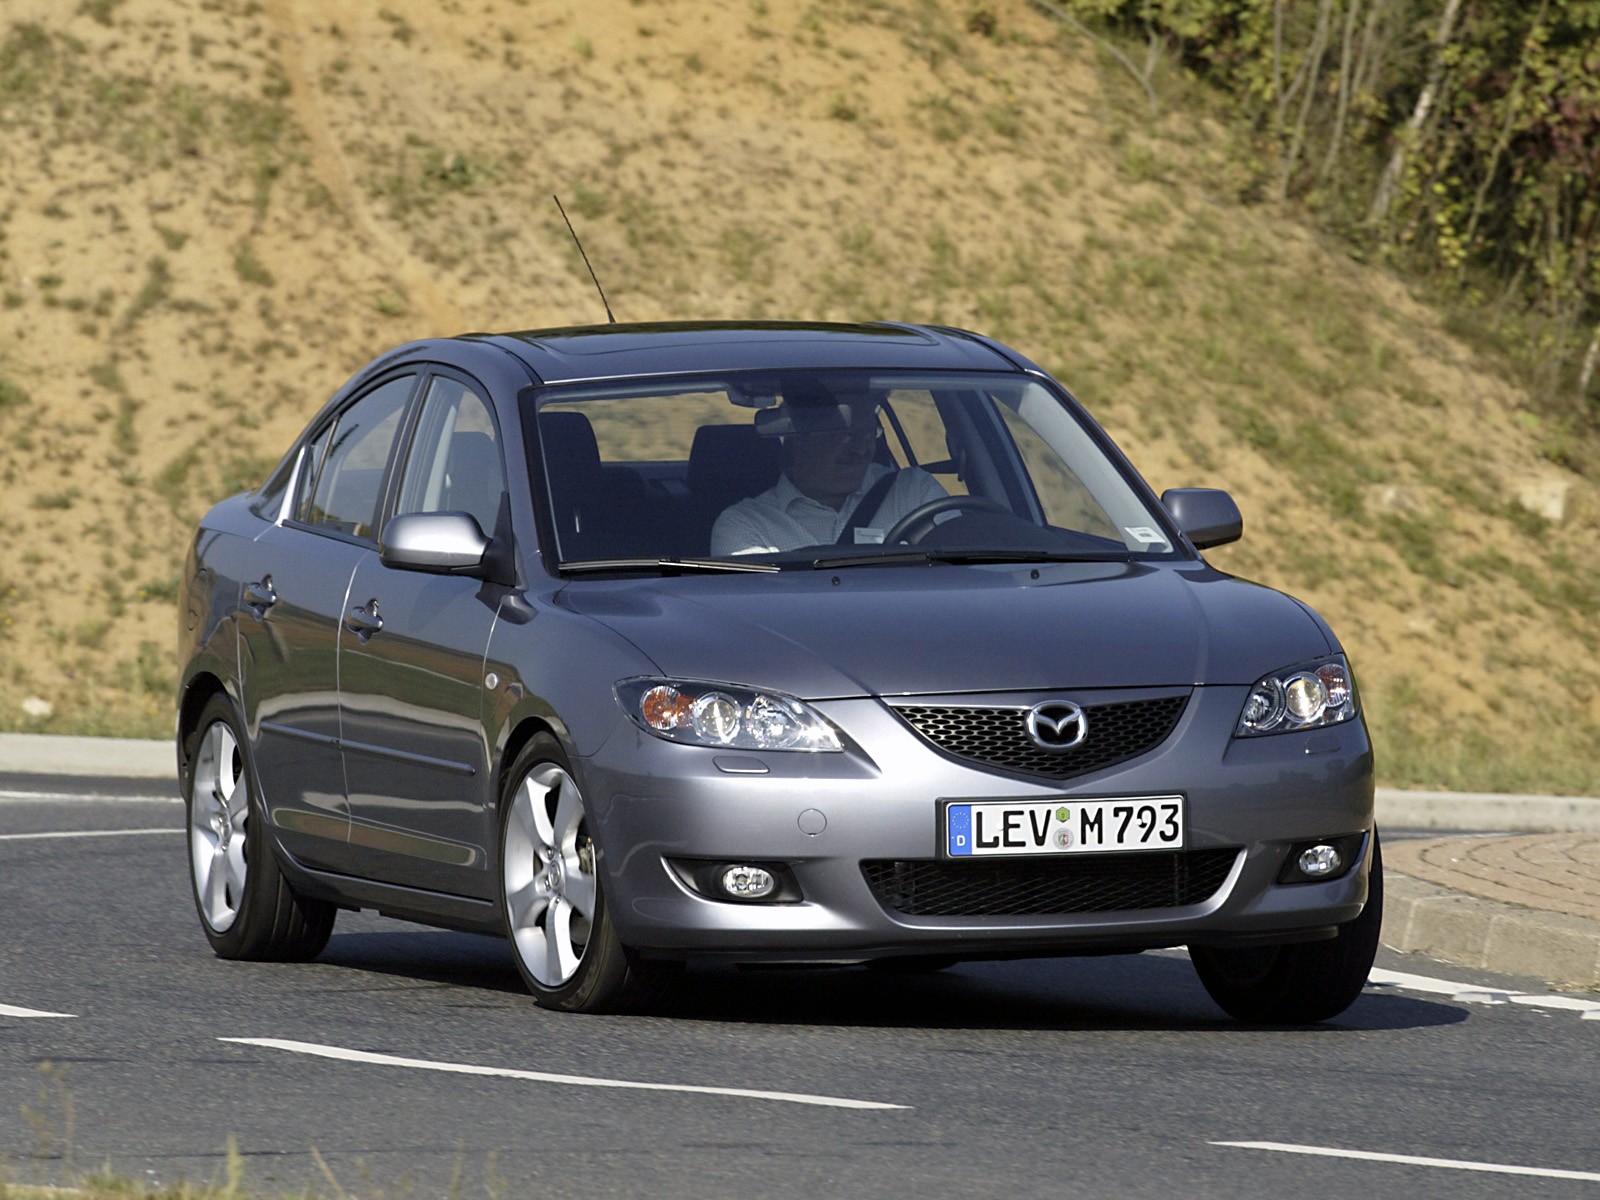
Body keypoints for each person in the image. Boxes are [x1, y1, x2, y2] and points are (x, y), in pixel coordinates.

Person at [710, 394, 947, 556]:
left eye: (867, 434)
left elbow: (966, 571)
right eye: (845, 435)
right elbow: (764, 614)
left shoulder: (914, 491)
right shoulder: (746, 526)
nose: (861, 450)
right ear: (800, 437)